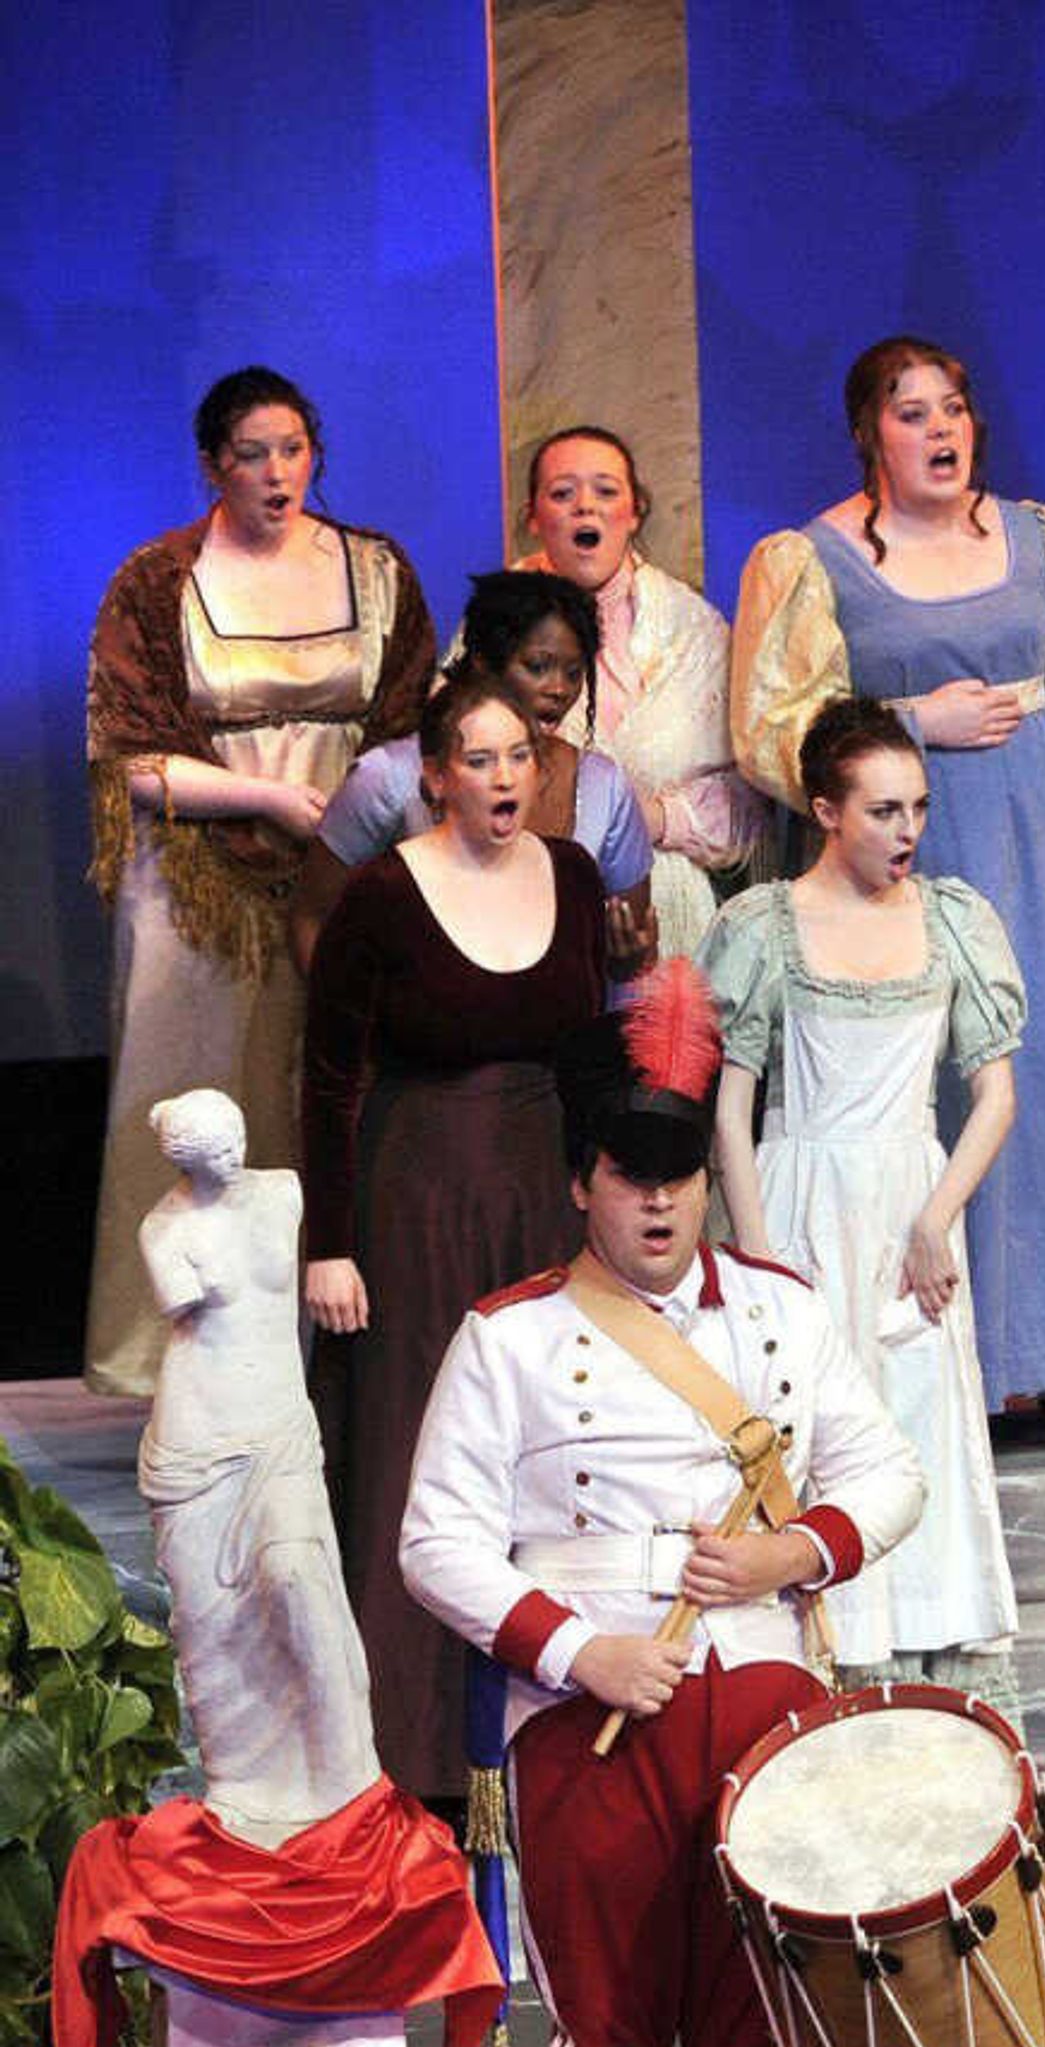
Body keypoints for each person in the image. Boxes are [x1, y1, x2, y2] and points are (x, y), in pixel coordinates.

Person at [399, 963, 924, 2047]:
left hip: (757, 1689)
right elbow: (436, 1539)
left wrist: (792, 1546)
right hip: (593, 1712)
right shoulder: (506, 1336)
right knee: (610, 2033)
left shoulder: (783, 1313)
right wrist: (575, 1652)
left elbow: (886, 1475)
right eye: (630, 1180)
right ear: (583, 1185)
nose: (659, 1207)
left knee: (758, 2025)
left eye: (680, 1179)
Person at [732, 336, 1045, 1457]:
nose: (940, 430)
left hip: (1037, 848)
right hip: (898, 852)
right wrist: (909, 726)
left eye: (952, 408)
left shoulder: (1035, 538)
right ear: (869, 433)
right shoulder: (810, 559)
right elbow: (767, 729)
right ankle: (955, 1368)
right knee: (926, 1092)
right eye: (911, 413)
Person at [84, 365, 434, 1395]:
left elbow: (414, 722)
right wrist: (270, 802)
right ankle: (175, 1365)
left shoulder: (375, 571)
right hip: (199, 889)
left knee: (322, 1099)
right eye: (252, 455)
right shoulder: (159, 580)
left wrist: (350, 826)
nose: (277, 474)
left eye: (293, 450)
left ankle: (335, 1354)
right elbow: (128, 753)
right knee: (194, 1109)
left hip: (346, 877)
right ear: (211, 466)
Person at [302, 674, 613, 1806]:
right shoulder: (385, 895)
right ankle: (416, 1752)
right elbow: (330, 1075)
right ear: (432, 775)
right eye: (476, 760)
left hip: (544, 1189)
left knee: (548, 1432)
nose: (501, 779)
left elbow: (594, 1059)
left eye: (518, 757)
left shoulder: (574, 878)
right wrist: (328, 1245)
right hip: (419, 1193)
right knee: (419, 1447)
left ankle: (553, 1723)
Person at [701, 698, 1027, 1705]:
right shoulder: (762, 926)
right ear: (825, 810)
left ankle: (930, 1661)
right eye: (884, 810)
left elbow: (996, 1095)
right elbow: (730, 1107)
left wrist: (935, 1218)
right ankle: (829, 1658)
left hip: (909, 1204)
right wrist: (758, 1263)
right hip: (801, 1194)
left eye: (917, 808)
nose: (907, 830)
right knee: (817, 1428)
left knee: (919, 1419)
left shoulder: (954, 919)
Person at [135, 1088, 383, 1842]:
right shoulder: (164, 1228)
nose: (233, 1158)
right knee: (215, 1624)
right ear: (184, 1160)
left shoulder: (282, 1190)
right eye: (214, 1154)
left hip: (277, 1424)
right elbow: (185, 1309)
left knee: (299, 1574)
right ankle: (243, 1785)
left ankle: (350, 1786)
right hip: (199, 1438)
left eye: (237, 1140)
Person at [314, 568, 654, 966]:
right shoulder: (388, 776)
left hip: (563, 1024)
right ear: (482, 663)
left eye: (574, 673)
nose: (559, 689)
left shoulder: (603, 786)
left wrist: (629, 961)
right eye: (538, 666)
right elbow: (313, 918)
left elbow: (634, 950)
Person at [511, 424, 762, 961]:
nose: (585, 508)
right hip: (525, 903)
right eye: (562, 493)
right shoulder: (493, 627)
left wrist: (653, 818)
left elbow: (749, 798)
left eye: (605, 491)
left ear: (635, 511)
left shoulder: (693, 630)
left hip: (667, 911)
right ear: (534, 517)